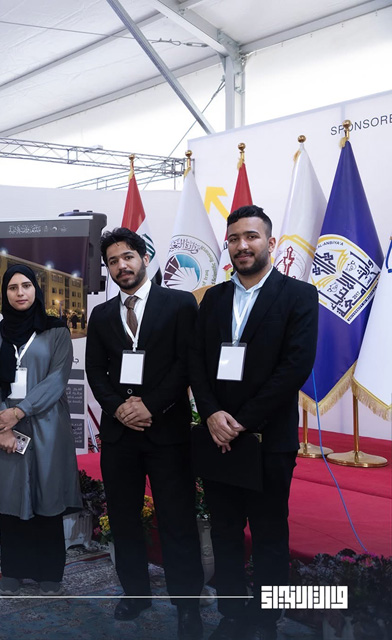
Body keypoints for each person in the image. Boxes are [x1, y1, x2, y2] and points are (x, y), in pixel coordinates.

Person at [190, 206, 317, 640]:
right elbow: (196, 362)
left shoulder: (299, 296)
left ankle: (266, 620)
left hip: (267, 439)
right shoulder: (213, 299)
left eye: (251, 236)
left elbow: (294, 368)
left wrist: (239, 422)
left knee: (269, 534)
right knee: (224, 532)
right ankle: (230, 613)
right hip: (218, 437)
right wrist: (211, 413)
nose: (242, 245)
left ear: (270, 242)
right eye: (234, 239)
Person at [85, 228, 203, 639]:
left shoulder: (179, 304)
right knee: (123, 519)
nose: (122, 266)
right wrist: (119, 408)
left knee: (178, 521)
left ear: (144, 258)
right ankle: (135, 594)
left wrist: (150, 405)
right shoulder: (102, 315)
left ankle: (187, 606)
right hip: (120, 436)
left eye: (128, 257)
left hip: (166, 432)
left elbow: (186, 364)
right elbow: (95, 371)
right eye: (113, 261)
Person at [0, 264, 81, 596]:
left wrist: (20, 411)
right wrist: (3, 426)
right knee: (11, 500)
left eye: (26, 286)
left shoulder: (56, 331)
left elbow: (57, 380)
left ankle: (50, 573)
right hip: (6, 430)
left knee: (47, 499)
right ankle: (13, 571)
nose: (20, 293)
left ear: (36, 290)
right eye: (12, 288)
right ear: (4, 294)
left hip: (47, 427)